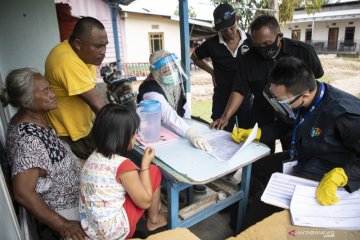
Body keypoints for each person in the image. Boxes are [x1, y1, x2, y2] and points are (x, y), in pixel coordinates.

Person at [245, 57, 360, 226]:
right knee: (257, 166)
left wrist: (343, 176)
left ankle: (253, 221)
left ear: (304, 94)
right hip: (305, 154)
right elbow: (286, 125)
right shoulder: (303, 100)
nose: (278, 104)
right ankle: (245, 201)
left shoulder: (344, 115)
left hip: (330, 167)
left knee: (264, 206)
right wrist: (258, 134)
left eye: (282, 101)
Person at [211, 15, 324, 152]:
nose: (262, 48)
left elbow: (315, 86)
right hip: (262, 117)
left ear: (279, 37)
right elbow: (239, 90)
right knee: (261, 161)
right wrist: (225, 117)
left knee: (292, 158)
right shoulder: (247, 59)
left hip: (296, 118)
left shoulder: (303, 52)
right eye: (257, 45)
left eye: (266, 44)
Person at [0, 68, 86, 239]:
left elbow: (56, 161)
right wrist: (64, 225)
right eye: (46, 91)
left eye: (50, 88)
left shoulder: (36, 122)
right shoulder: (28, 140)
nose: (52, 94)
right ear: (26, 101)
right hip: (65, 215)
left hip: (75, 204)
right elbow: (23, 192)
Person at [79, 103, 167, 239]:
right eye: (135, 132)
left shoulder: (93, 157)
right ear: (123, 136)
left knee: (138, 179)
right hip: (115, 232)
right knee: (153, 171)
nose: (136, 135)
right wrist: (145, 164)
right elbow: (145, 202)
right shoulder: (123, 165)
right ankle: (153, 220)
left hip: (92, 228)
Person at [137, 50, 212, 193]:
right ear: (156, 72)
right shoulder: (150, 89)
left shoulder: (174, 83)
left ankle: (191, 178)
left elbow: (183, 107)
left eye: (174, 68)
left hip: (175, 127)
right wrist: (190, 132)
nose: (172, 73)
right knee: (167, 158)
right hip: (156, 131)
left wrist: (189, 125)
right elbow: (168, 115)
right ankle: (167, 184)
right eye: (166, 70)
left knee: (192, 145)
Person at [45, 16, 108, 159]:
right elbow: (98, 105)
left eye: (105, 45)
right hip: (69, 133)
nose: (103, 51)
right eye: (98, 46)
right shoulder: (66, 61)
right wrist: (125, 129)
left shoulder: (84, 55)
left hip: (83, 127)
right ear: (78, 44)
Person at [191, 3, 253, 132]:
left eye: (231, 27)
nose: (229, 32)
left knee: (247, 135)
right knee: (219, 133)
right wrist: (212, 72)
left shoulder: (250, 41)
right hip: (222, 98)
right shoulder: (211, 44)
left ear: (237, 20)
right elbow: (195, 57)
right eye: (224, 30)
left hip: (245, 98)